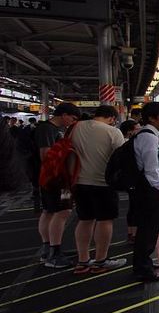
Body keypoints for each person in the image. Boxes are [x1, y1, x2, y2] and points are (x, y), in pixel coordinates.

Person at [70, 105, 127, 275]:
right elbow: (122, 157)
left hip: (79, 182)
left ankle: (83, 260)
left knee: (85, 220)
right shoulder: (113, 132)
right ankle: (101, 261)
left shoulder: (76, 127)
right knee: (104, 221)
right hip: (103, 183)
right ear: (111, 118)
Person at [36, 103, 81, 268]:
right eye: (72, 118)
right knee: (63, 211)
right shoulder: (47, 129)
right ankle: (54, 254)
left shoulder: (51, 129)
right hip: (58, 181)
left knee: (49, 211)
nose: (72, 122)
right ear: (64, 114)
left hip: (50, 179)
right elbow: (46, 156)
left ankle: (47, 250)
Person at [132, 102, 159, 282]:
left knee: (149, 228)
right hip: (150, 188)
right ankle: (143, 269)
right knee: (148, 228)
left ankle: (145, 262)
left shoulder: (147, 134)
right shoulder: (148, 137)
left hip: (148, 187)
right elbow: (151, 169)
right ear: (151, 117)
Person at [119, 119, 142, 242]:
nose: (140, 131)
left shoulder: (124, 144)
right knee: (136, 208)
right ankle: (134, 235)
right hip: (134, 182)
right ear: (129, 132)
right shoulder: (130, 145)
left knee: (133, 207)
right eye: (137, 129)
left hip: (129, 182)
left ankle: (131, 233)